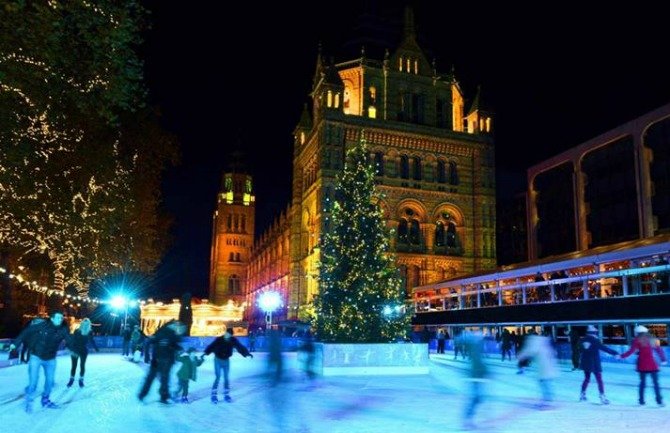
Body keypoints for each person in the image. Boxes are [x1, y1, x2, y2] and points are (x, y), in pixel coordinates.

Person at [9, 310, 72, 412]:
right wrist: (15, 343)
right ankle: (29, 398)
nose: (60, 319)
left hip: (50, 359)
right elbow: (26, 332)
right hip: (36, 357)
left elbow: (70, 340)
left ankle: (45, 400)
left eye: (61, 318)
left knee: (50, 382)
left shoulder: (63, 330)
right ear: (51, 318)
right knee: (33, 382)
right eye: (58, 317)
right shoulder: (42, 325)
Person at [137, 320, 185, 404]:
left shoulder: (160, 332)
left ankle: (142, 395)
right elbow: (176, 343)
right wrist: (179, 348)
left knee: (151, 378)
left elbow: (150, 341)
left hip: (157, 359)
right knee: (164, 378)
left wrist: (148, 354)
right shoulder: (172, 333)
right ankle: (163, 397)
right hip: (165, 359)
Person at [203, 328, 253, 403]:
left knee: (226, 378)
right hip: (218, 360)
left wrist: (246, 353)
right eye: (227, 333)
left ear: (231, 335)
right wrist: (206, 352)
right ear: (225, 332)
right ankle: (213, 395)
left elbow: (239, 347)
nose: (228, 335)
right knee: (218, 377)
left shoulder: (233, 340)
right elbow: (212, 346)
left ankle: (226, 394)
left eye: (229, 334)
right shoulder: (219, 339)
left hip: (226, 360)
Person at [620, 325, 667, 407]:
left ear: (637, 332)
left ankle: (641, 401)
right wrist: (663, 359)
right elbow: (659, 350)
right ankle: (659, 402)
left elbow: (631, 351)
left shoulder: (636, 340)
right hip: (652, 364)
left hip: (642, 365)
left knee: (642, 383)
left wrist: (621, 356)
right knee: (656, 383)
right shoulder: (653, 339)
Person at [517, 332, 559, 409]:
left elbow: (528, 351)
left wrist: (521, 355)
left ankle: (547, 402)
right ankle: (546, 400)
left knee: (545, 384)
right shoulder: (544, 342)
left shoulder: (535, 342)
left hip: (544, 368)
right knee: (545, 383)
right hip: (547, 367)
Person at [578, 325, 617, 404]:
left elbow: (579, 350)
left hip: (585, 362)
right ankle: (602, 397)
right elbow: (604, 348)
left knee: (587, 379)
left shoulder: (582, 340)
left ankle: (582, 395)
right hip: (594, 362)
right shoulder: (595, 340)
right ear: (594, 332)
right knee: (599, 380)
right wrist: (615, 353)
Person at [66, 318, 99, 388]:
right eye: (84, 323)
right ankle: (72, 379)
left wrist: (96, 348)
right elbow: (73, 340)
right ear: (82, 323)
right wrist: (70, 347)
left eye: (87, 323)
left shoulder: (89, 332)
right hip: (75, 350)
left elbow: (92, 340)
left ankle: (80, 380)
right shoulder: (77, 331)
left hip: (83, 351)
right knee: (74, 366)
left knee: (82, 365)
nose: (85, 325)